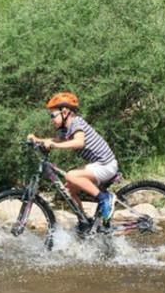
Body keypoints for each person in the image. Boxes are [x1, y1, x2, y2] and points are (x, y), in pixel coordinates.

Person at [27, 92, 118, 221]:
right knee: (68, 190)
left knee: (71, 175)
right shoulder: (66, 129)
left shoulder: (76, 123)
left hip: (106, 165)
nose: (51, 119)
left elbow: (79, 142)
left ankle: (105, 199)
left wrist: (53, 145)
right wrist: (38, 140)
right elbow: (57, 140)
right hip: (97, 165)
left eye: (53, 115)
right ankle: (84, 222)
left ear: (64, 112)